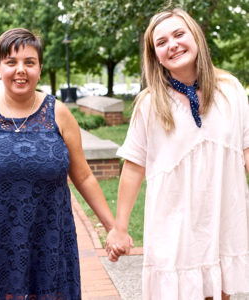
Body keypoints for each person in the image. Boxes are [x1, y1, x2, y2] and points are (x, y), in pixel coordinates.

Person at [0, 28, 117, 299]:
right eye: (11, 62)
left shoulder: (58, 113)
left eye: (29, 62)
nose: (20, 70)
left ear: (39, 68)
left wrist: (114, 228)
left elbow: (84, 177)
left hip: (48, 245)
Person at [105, 7, 249, 300]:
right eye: (161, 42)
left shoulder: (231, 90)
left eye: (179, 34)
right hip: (175, 228)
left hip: (222, 219)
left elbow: (246, 152)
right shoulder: (149, 104)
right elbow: (133, 168)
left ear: (195, 36)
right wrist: (119, 228)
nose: (172, 45)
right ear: (154, 55)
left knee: (221, 292)